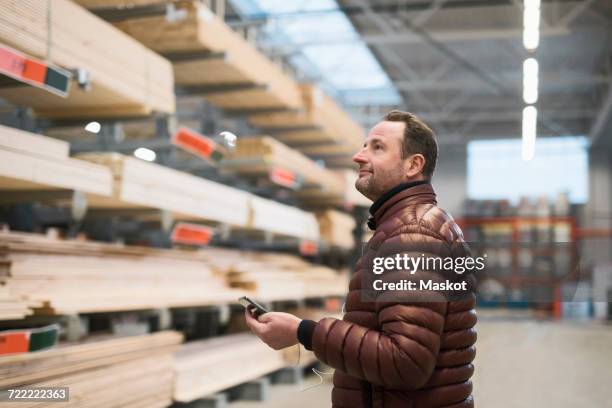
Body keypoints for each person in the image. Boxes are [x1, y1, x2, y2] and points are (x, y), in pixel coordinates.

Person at [245, 110, 477, 408]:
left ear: (413, 165)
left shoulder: (412, 236)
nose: (358, 156)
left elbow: (405, 362)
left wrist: (303, 332)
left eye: (377, 147)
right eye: (364, 145)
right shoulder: (415, 225)